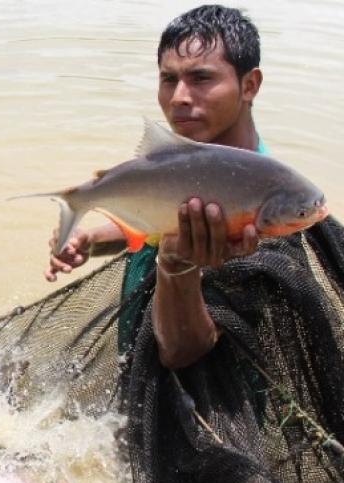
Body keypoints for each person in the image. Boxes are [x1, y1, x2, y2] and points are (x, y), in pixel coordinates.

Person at [44, 4, 264, 369]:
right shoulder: (191, 169)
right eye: (168, 79)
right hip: (137, 366)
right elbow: (162, 222)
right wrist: (92, 240)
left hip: (205, 408)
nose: (179, 96)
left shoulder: (266, 210)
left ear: (249, 85)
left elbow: (183, 353)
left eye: (201, 78)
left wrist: (177, 264)